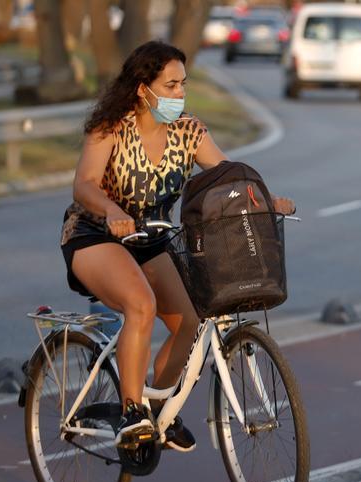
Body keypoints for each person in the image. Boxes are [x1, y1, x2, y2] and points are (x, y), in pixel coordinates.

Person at [61, 41, 295, 450]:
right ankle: (132, 414)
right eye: (169, 85)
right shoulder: (111, 128)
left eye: (182, 84)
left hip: (150, 238)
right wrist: (111, 211)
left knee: (190, 320)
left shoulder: (188, 130)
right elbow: (83, 184)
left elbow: (226, 177)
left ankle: (157, 409)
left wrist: (264, 200)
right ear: (142, 88)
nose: (178, 94)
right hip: (95, 235)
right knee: (141, 305)